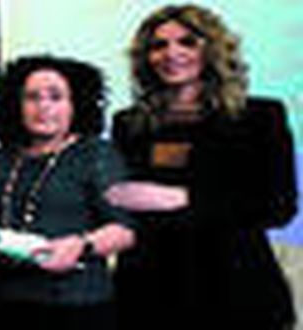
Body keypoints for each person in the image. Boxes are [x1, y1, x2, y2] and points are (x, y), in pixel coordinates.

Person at [107, 5, 297, 329]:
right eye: (158, 45)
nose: (172, 53)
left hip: (236, 293)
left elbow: (278, 207)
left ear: (213, 49)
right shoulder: (128, 124)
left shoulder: (259, 118)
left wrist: (183, 198)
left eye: (187, 42)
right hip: (148, 295)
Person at [0, 56, 136, 329]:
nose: (43, 107)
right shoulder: (2, 157)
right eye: (32, 98)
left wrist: (81, 246)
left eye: (56, 97)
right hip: (4, 300)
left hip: (76, 304)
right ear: (16, 105)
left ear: (76, 105)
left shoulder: (96, 154)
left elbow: (125, 230)